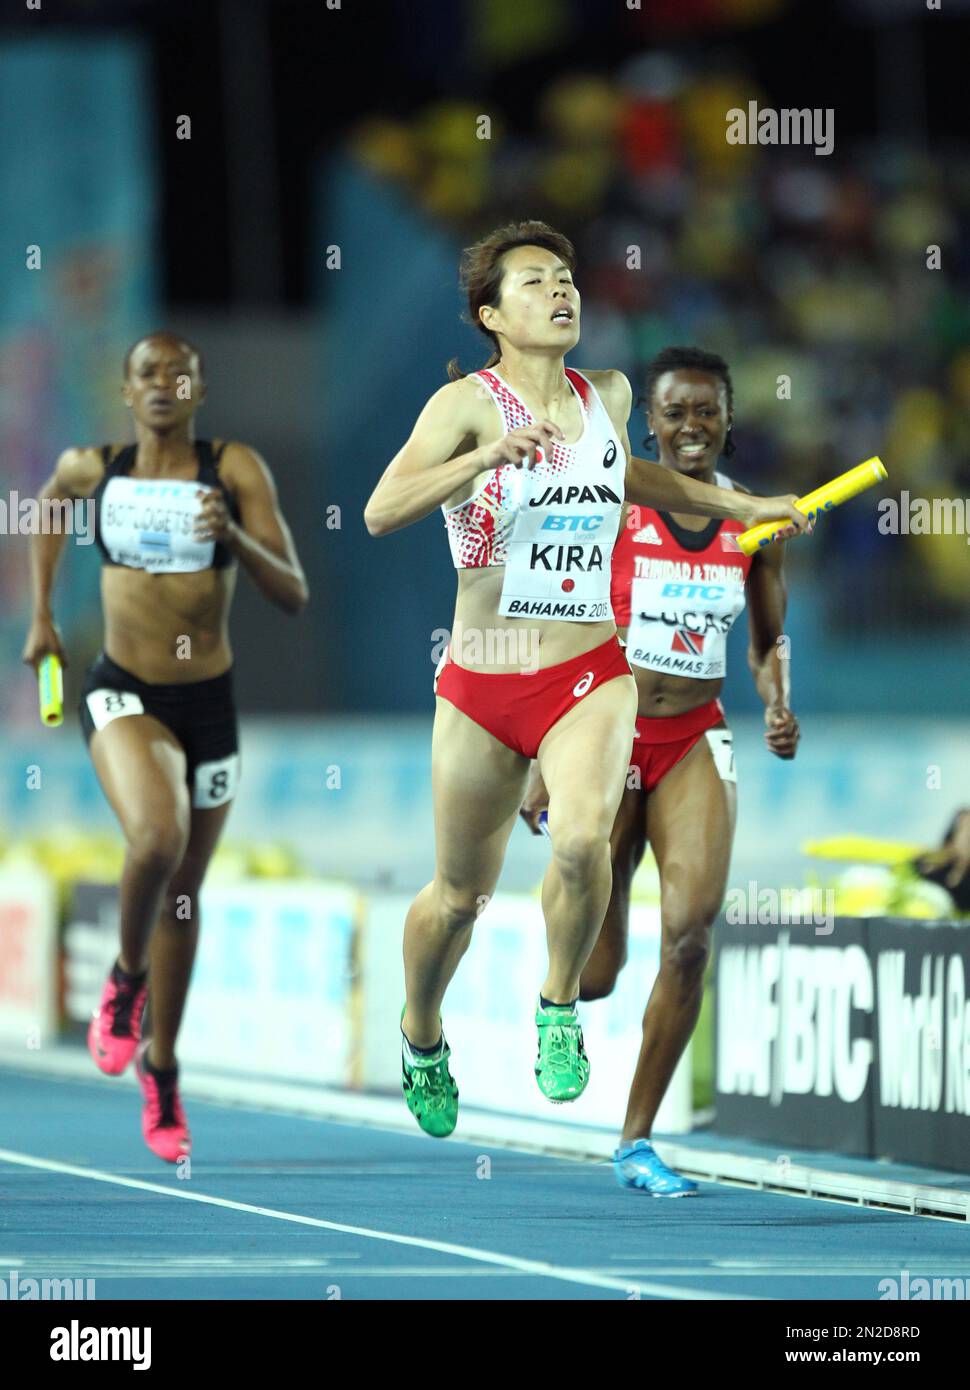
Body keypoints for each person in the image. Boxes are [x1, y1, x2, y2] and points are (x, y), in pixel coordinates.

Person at [364, 222, 807, 1139]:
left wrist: (744, 504)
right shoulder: (465, 407)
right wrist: (481, 459)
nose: (560, 292)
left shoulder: (605, 393)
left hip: (586, 668)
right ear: (492, 314)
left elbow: (640, 478)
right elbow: (378, 511)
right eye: (534, 282)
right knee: (457, 898)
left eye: (566, 278)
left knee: (580, 843)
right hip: (486, 677)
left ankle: (557, 1009)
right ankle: (420, 1032)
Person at [22, 332, 308, 1162]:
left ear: (199, 391)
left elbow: (292, 593)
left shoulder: (235, 470)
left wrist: (236, 539)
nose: (163, 382)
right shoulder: (94, 468)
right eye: (147, 371)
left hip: (208, 704)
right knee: (156, 833)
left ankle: (165, 1067)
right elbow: (46, 505)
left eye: (179, 372)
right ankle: (125, 980)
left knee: (184, 892)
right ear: (126, 389)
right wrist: (42, 613)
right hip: (122, 689)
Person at [521, 345, 801, 1193]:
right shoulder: (612, 501)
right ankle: (557, 1001)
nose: (690, 427)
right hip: (604, 733)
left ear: (727, 420)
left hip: (692, 740)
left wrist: (779, 700)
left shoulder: (752, 523)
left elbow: (764, 641)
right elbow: (557, 616)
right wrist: (543, 748)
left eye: (706, 411)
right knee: (598, 973)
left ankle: (636, 1141)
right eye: (673, 412)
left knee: (687, 940)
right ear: (648, 422)